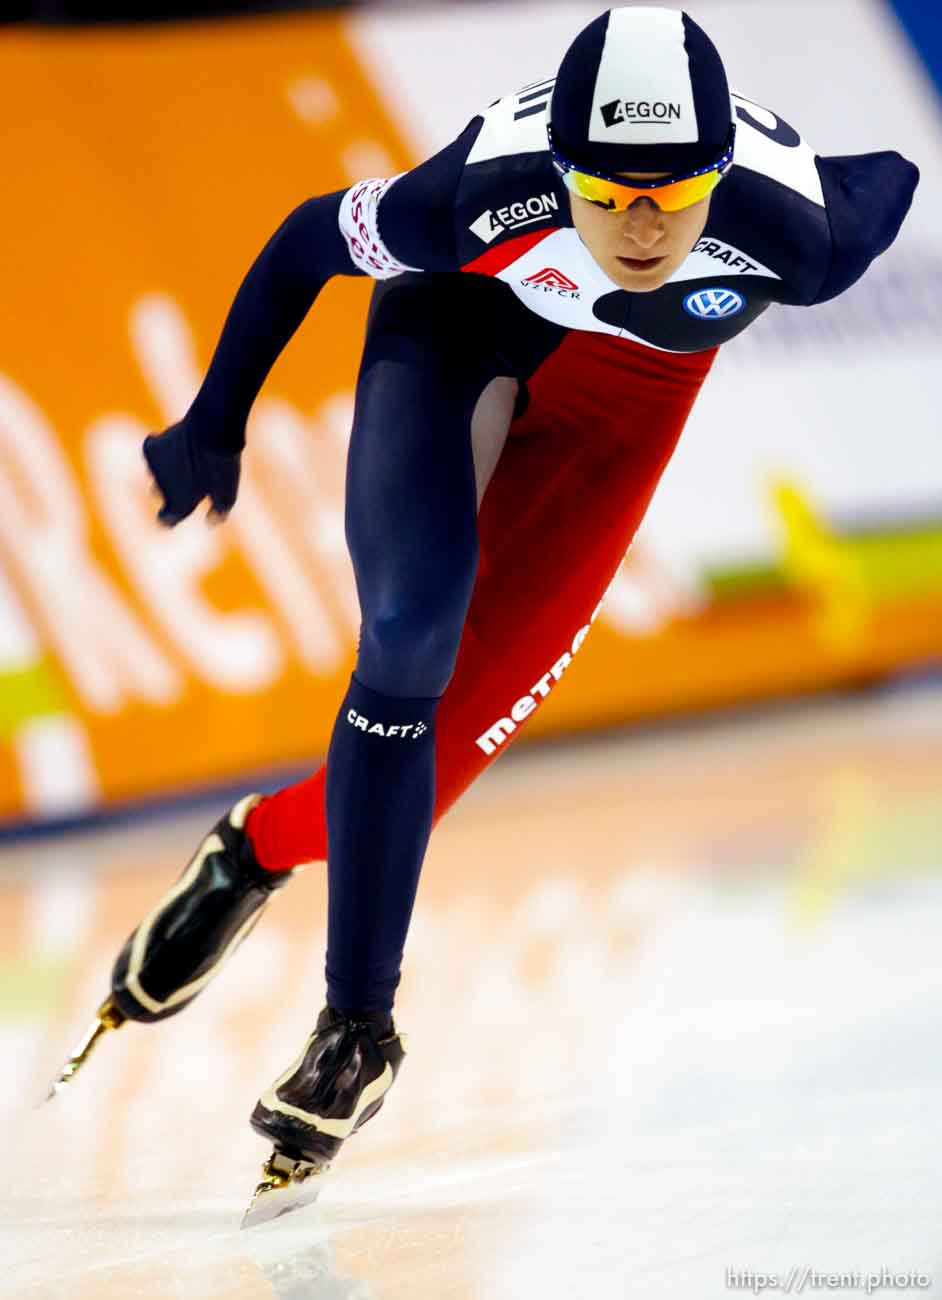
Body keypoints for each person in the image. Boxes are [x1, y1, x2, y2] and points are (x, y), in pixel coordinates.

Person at [47, 5, 918, 1224]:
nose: (645, 225)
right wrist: (215, 421)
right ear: (562, 170)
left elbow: (896, 172)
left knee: (435, 768)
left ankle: (253, 848)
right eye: (609, 192)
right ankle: (358, 1030)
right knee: (408, 638)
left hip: (632, 399)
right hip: (458, 329)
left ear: (725, 176)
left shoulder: (807, 234)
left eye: (677, 191)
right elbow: (308, 239)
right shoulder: (477, 194)